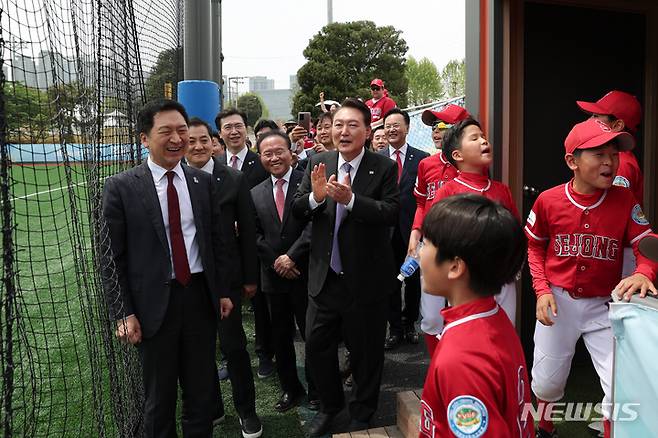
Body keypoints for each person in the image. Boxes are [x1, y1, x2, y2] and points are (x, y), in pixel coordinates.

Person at [101, 99, 233, 437]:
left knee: (200, 394)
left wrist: (222, 293)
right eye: (166, 132)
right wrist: (123, 312)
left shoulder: (201, 183)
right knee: (158, 400)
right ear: (145, 138)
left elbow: (216, 244)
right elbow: (110, 257)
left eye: (182, 130)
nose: (177, 138)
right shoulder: (121, 187)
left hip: (200, 301)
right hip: (152, 308)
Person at [525, 118, 657, 438]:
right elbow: (534, 248)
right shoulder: (549, 200)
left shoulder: (625, 200)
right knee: (546, 380)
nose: (610, 161)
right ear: (572, 161)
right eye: (598, 154)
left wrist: (643, 272)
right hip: (559, 302)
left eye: (614, 154)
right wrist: (542, 291)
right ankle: (545, 427)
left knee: (619, 382)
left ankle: (612, 431)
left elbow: (647, 244)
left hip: (603, 306)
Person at [292, 98, 400, 436]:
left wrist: (351, 201)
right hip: (324, 278)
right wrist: (318, 197)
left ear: (368, 131)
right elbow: (297, 209)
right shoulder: (317, 163)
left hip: (366, 279)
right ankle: (330, 406)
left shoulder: (382, 167)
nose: (343, 131)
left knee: (366, 352)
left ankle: (362, 411)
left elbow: (391, 212)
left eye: (353, 125)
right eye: (338, 124)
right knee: (317, 346)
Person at [418, 194, 534, 438]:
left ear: (455, 267)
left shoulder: (462, 360)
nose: (419, 253)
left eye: (426, 243)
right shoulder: (491, 316)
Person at [184, 118, 262, 438]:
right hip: (191, 281)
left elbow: (247, 234)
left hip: (227, 278)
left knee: (234, 346)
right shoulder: (177, 181)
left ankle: (247, 410)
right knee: (200, 350)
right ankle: (213, 409)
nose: (199, 146)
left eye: (204, 140)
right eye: (192, 141)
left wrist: (249, 278)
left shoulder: (232, 178)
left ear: (213, 141)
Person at [419, 118, 520, 356]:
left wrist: (515, 263)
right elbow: (435, 232)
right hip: (464, 278)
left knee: (504, 326)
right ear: (457, 155)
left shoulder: (500, 189)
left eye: (483, 137)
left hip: (498, 273)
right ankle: (441, 371)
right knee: (462, 331)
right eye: (474, 138)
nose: (484, 141)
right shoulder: (448, 190)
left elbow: (514, 228)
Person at [251, 131, 319, 412]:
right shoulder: (254, 193)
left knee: (313, 334)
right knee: (280, 338)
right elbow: (253, 235)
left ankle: (318, 390)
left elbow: (316, 224)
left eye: (279, 151)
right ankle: (291, 389)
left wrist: (291, 257)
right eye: (267, 153)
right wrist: (277, 262)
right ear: (261, 158)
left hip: (306, 273)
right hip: (274, 279)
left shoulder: (310, 183)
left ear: (291, 153)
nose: (274, 157)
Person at [216, 108, 275, 379]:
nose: (234, 131)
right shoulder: (213, 165)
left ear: (246, 129)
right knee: (226, 306)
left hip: (256, 246)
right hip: (225, 250)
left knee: (260, 305)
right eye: (228, 127)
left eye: (238, 126)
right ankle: (229, 357)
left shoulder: (260, 163)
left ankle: (264, 354)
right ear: (220, 133)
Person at [577, 90, 644, 279]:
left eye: (597, 116)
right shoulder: (618, 159)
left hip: (619, 253)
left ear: (617, 125)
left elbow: (612, 213)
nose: (590, 120)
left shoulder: (620, 163)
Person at [379, 108, 429, 350]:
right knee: (389, 282)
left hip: (413, 230)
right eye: (387, 125)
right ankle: (395, 328)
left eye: (396, 125)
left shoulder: (422, 158)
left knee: (412, 282)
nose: (391, 129)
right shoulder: (375, 158)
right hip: (385, 232)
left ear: (407, 128)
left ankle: (410, 324)